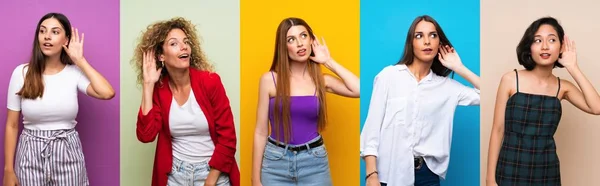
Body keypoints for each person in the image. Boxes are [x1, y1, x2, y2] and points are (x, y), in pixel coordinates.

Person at [360, 15, 481, 186]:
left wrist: (459, 67)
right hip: (390, 174)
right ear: (411, 42)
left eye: (433, 35)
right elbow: (371, 130)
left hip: (427, 176)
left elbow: (489, 95)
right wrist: (371, 174)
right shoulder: (388, 76)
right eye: (419, 36)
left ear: (440, 43)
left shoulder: (447, 87)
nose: (427, 41)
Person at [3, 12, 115, 186]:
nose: (47, 36)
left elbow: (107, 93)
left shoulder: (74, 73)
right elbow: (11, 125)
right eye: (42, 31)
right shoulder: (21, 73)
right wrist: (8, 170)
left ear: (66, 40)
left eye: (55, 32)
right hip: (29, 155)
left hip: (68, 154)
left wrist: (80, 60)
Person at [486, 17, 600, 186]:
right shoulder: (511, 79)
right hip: (510, 167)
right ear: (529, 47)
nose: (545, 46)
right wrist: (490, 178)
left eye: (552, 40)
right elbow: (497, 130)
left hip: (547, 170)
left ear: (561, 47)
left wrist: (573, 67)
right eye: (538, 40)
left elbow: (596, 107)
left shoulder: (563, 87)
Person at [251, 17, 360, 186]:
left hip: (314, 163)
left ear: (311, 41)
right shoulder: (269, 80)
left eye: (303, 36)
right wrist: (255, 178)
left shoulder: (321, 81)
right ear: (284, 47)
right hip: (275, 163)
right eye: (291, 39)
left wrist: (328, 61)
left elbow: (359, 89)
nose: (300, 43)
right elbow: (260, 131)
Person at [133, 17, 240, 186]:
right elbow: (146, 136)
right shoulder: (159, 90)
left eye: (186, 42)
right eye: (174, 43)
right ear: (161, 56)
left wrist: (211, 180)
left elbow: (228, 137)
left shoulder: (210, 82)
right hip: (175, 175)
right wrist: (148, 85)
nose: (184, 46)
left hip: (213, 172)